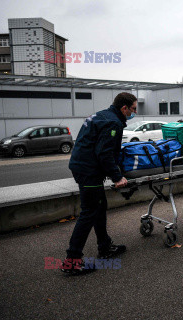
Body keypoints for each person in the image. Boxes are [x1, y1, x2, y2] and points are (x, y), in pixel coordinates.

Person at [61, 92, 137, 275]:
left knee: (99, 207)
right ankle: (72, 260)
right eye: (133, 109)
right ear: (124, 108)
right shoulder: (113, 122)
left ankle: (104, 247)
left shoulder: (102, 115)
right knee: (89, 212)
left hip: (84, 167)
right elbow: (104, 153)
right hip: (89, 171)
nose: (135, 112)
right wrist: (117, 177)